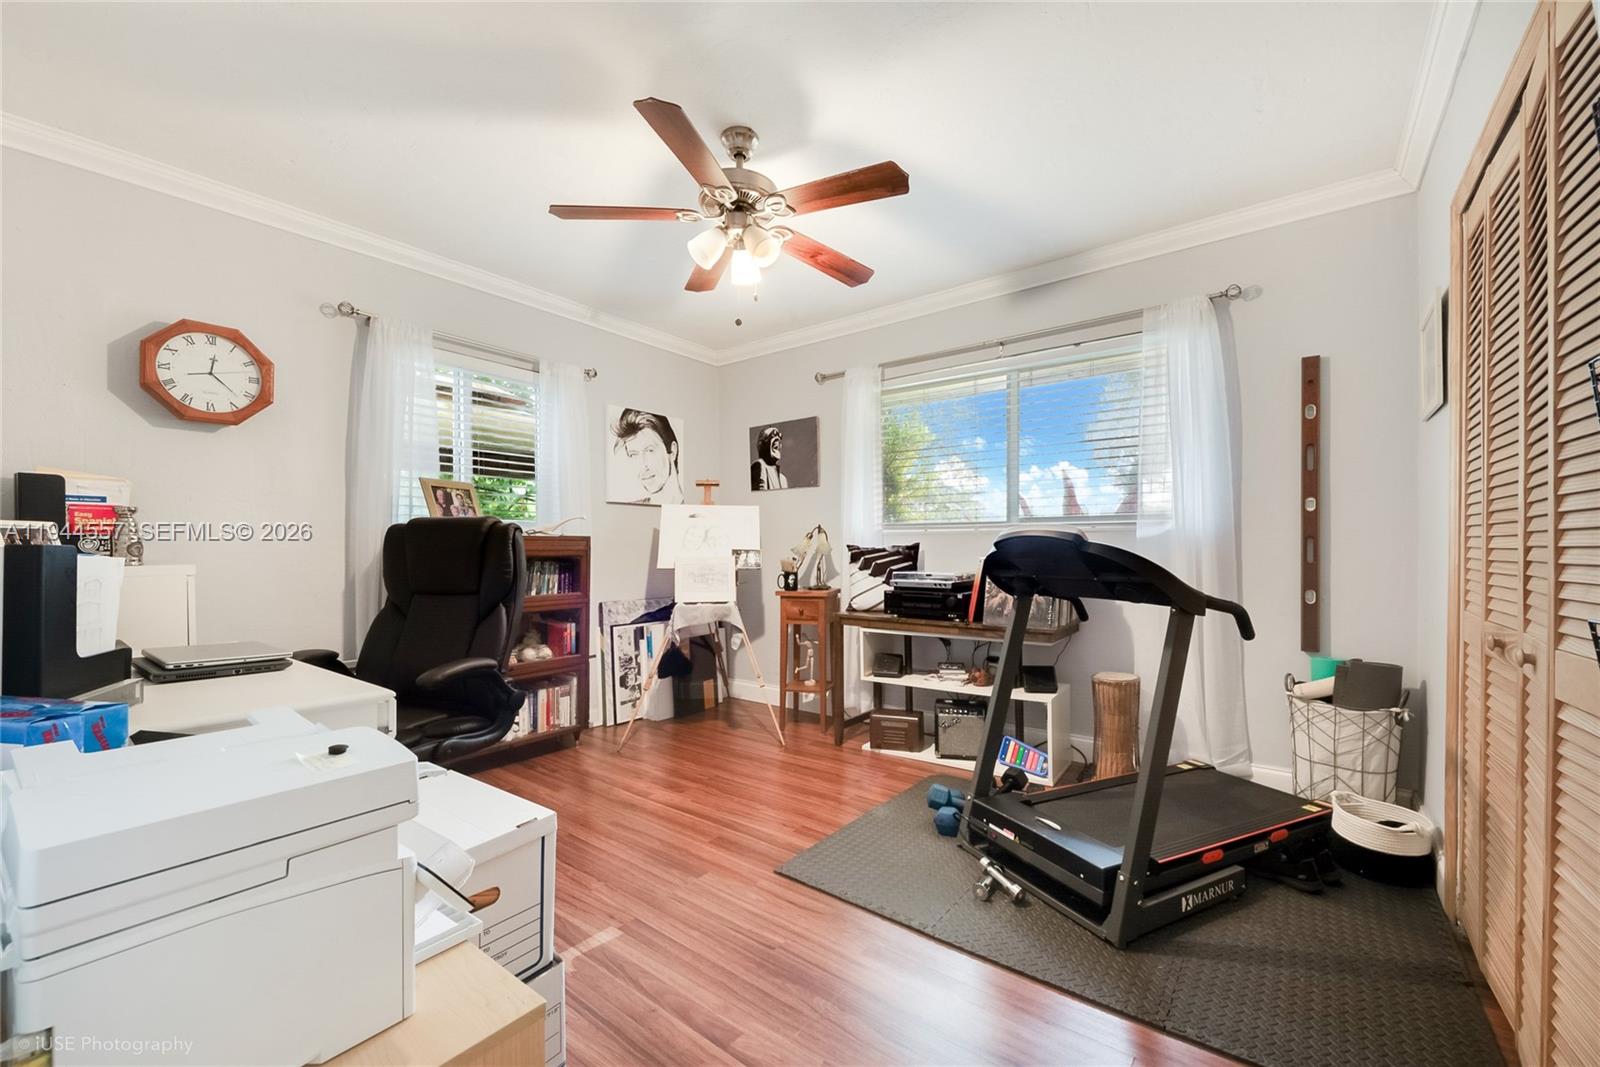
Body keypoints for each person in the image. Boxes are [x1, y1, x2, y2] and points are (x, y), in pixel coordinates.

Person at [612, 408, 684, 505]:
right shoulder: (633, 509)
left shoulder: (691, 512)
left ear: (673, 451)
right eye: (634, 454)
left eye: (650, 450)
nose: (643, 465)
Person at [750, 426, 788, 490]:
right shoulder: (759, 465)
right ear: (762, 445)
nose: (779, 444)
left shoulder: (783, 479)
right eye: (773, 435)